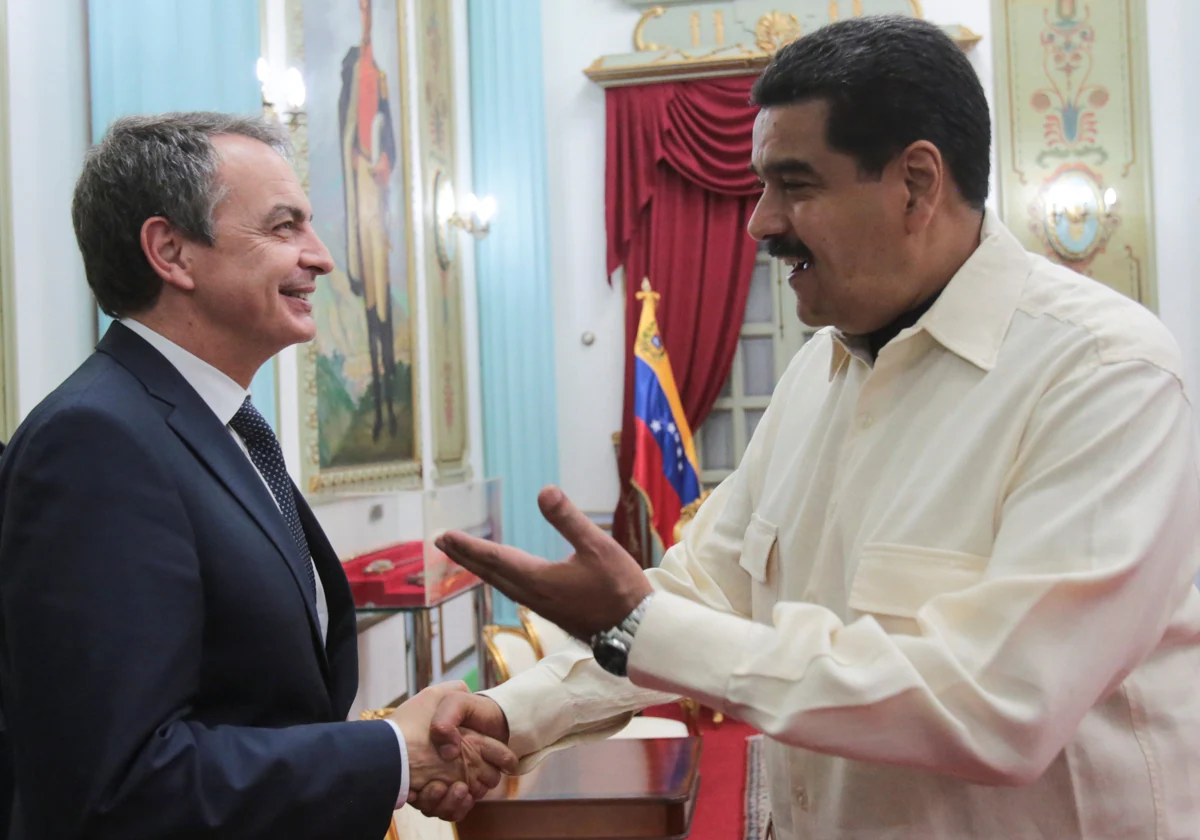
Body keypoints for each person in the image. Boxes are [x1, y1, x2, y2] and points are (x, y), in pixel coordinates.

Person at [418, 16, 1200, 839]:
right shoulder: (814, 376)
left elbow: (1005, 705)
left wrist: (639, 627)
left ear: (916, 184)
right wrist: (504, 715)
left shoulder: (1104, 372)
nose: (760, 223)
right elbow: (706, 594)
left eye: (795, 185)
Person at [0, 113, 513, 840]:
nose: (323, 257)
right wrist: (390, 754)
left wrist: (390, 765)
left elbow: (260, 705)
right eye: (284, 227)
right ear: (171, 251)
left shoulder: (215, 425)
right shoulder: (96, 441)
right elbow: (120, 782)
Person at [339, 0, 402, 442]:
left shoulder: (379, 76)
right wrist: (361, 160)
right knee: (368, 304)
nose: (365, 14)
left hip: (377, 198)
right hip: (357, 190)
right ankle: (378, 404)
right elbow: (346, 129)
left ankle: (388, 400)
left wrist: (385, 161)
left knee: (384, 301)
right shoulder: (349, 68)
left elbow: (391, 136)